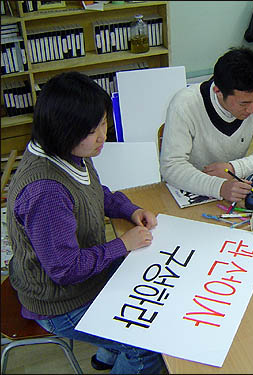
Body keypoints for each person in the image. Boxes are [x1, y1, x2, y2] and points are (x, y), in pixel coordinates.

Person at [6, 72, 167, 374]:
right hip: (60, 302)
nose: (103, 136)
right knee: (146, 345)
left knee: (143, 277)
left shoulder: (68, 150)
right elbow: (65, 270)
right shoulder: (47, 192)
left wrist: (129, 210)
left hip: (80, 277)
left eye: (104, 123)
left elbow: (94, 192)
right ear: (64, 131)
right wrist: (122, 244)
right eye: (93, 131)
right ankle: (121, 352)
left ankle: (107, 354)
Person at [159, 47, 253, 203]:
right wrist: (219, 187)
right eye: (244, 103)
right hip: (188, 188)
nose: (252, 109)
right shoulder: (184, 104)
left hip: (232, 187)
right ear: (218, 91)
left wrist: (235, 168)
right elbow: (171, 166)